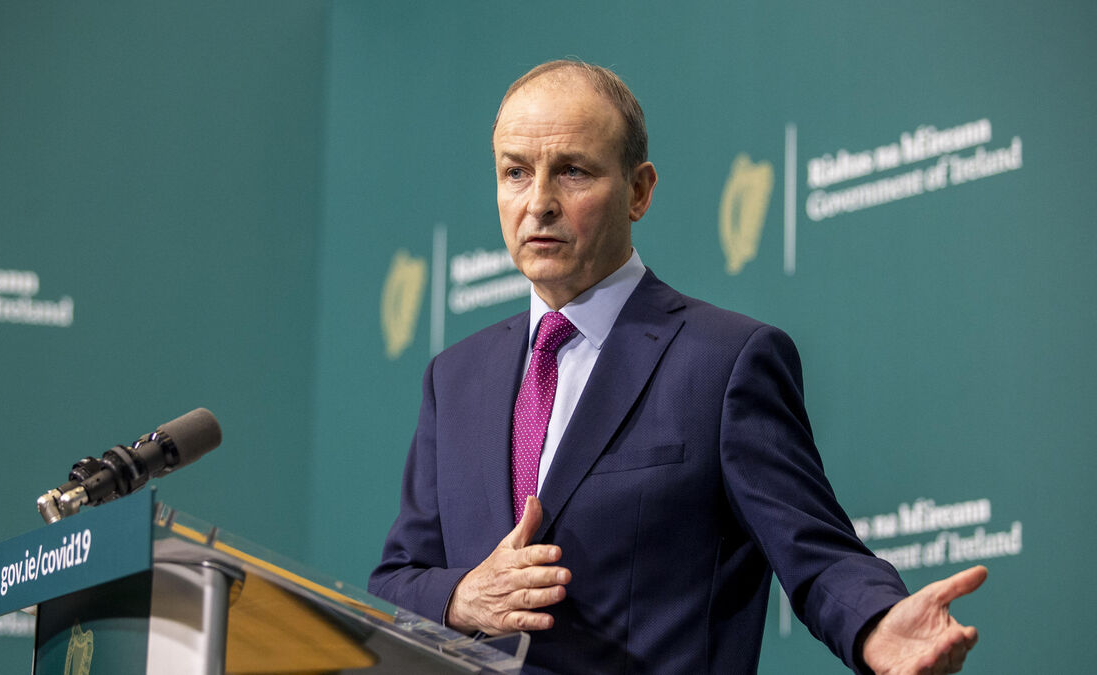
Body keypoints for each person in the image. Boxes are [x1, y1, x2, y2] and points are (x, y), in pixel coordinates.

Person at [369, 59, 985, 674]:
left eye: (573, 171)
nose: (539, 203)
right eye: (515, 173)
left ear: (639, 191)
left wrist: (876, 623)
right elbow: (398, 579)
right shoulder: (455, 378)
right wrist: (462, 596)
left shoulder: (725, 362)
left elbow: (814, 551)